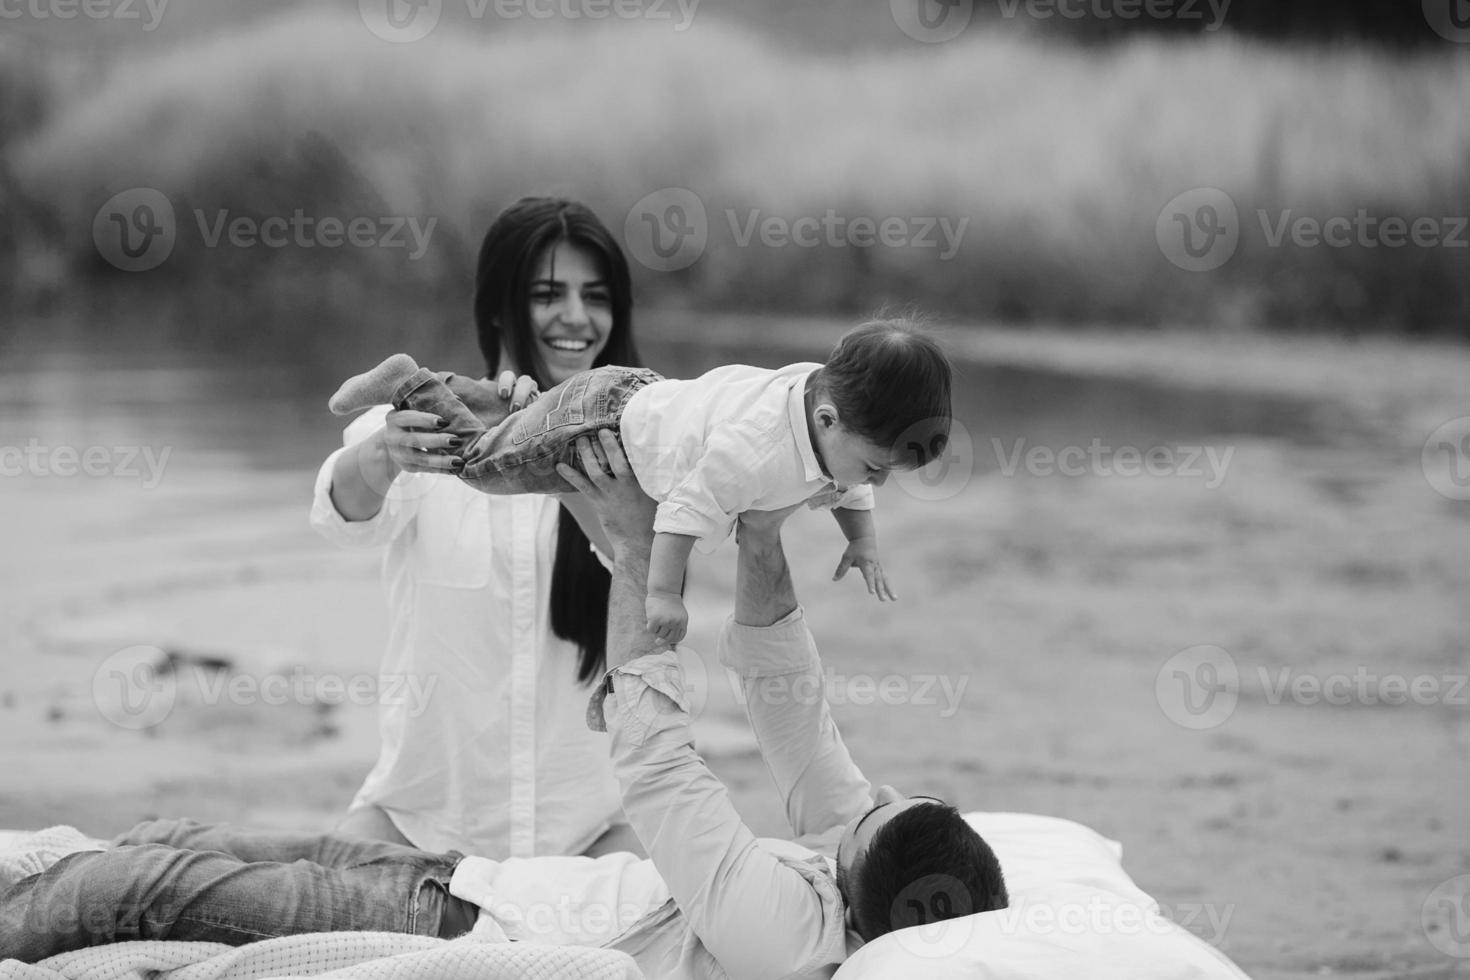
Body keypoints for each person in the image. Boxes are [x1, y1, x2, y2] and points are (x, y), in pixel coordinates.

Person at [2, 432, 1007, 977]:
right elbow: (797, 717)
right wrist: (759, 532)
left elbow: (657, 758)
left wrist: (630, 546)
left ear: (857, 895)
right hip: (487, 873)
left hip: (463, 922)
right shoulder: (867, 864)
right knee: (185, 835)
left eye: (870, 811)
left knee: (145, 893)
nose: (864, 795)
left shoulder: (782, 931)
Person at [309, 197, 645, 859]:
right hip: (421, 824)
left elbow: (662, 578)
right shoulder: (429, 428)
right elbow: (341, 518)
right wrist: (382, 454)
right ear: (499, 308)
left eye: (595, 296)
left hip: (592, 832)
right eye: (548, 294)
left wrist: (562, 454)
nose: (576, 318)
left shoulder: (642, 444)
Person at [327, 320, 953, 644]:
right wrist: (665, 596)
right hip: (602, 425)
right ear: (827, 421)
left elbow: (851, 483)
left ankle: (463, 390)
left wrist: (862, 541)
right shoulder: (754, 453)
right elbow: (681, 512)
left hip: (635, 396)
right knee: (484, 467)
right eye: (877, 467)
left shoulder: (829, 398)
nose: (878, 483)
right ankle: (409, 383)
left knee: (513, 430)